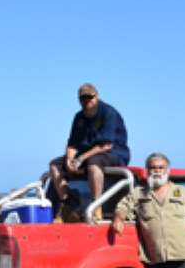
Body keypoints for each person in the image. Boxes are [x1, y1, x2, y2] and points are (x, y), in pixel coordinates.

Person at [49, 83, 130, 220]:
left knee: (93, 163)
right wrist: (69, 160)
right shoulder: (79, 117)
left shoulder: (109, 113)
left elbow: (106, 145)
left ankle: (96, 205)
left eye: (90, 97)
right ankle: (68, 202)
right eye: (83, 98)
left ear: (96, 96)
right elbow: (73, 143)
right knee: (55, 165)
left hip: (113, 153)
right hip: (86, 154)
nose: (87, 101)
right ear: (79, 100)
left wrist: (80, 159)